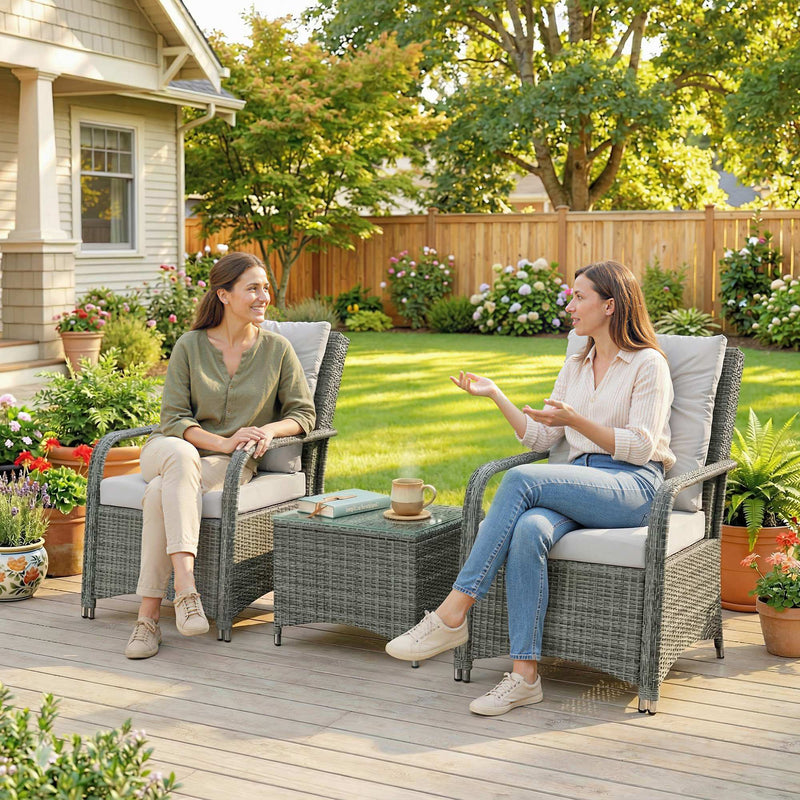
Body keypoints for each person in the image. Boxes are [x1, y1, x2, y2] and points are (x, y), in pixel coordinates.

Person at [385, 260, 675, 716]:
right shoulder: (576, 363)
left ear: (611, 305)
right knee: (528, 529)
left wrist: (576, 420)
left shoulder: (647, 364)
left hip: (632, 486)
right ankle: (524, 677)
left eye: (580, 297)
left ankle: (452, 612)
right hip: (578, 481)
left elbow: (640, 447)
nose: (570, 305)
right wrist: (497, 394)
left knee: (520, 479)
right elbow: (542, 438)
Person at [125, 252, 316, 659]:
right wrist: (223, 441)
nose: (264, 295)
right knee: (178, 455)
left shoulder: (277, 350)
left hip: (224, 468)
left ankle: (147, 620)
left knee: (161, 492)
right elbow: (173, 418)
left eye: (265, 287)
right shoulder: (189, 345)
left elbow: (304, 414)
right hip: (168, 449)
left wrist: (267, 429)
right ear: (224, 295)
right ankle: (187, 586)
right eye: (253, 288)